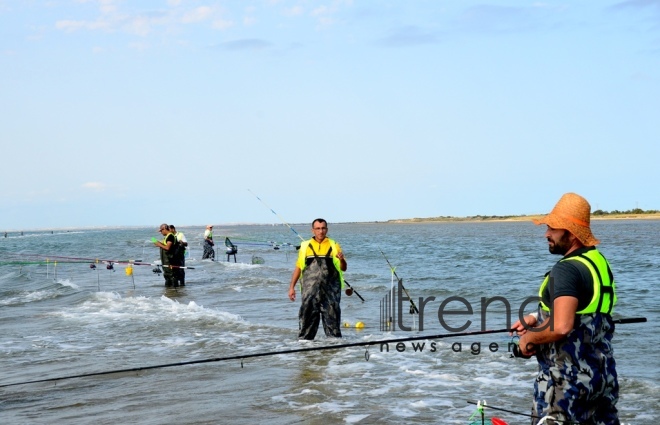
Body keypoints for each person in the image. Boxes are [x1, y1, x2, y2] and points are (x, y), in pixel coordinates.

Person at [510, 193, 618, 425]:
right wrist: (535, 317)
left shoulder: (566, 270)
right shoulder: (596, 262)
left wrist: (528, 339)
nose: (546, 234)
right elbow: (586, 312)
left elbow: (561, 326)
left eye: (553, 229)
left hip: (565, 387)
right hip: (601, 379)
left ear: (572, 233)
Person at [288, 218, 347, 340]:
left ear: (327, 229)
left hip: (331, 293)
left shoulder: (334, 245)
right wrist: (291, 287)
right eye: (318, 228)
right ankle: (306, 352)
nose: (321, 231)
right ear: (313, 230)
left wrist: (342, 259)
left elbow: (343, 268)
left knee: (334, 331)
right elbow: (298, 268)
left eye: (323, 228)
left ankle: (335, 354)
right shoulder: (305, 246)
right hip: (309, 292)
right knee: (306, 329)